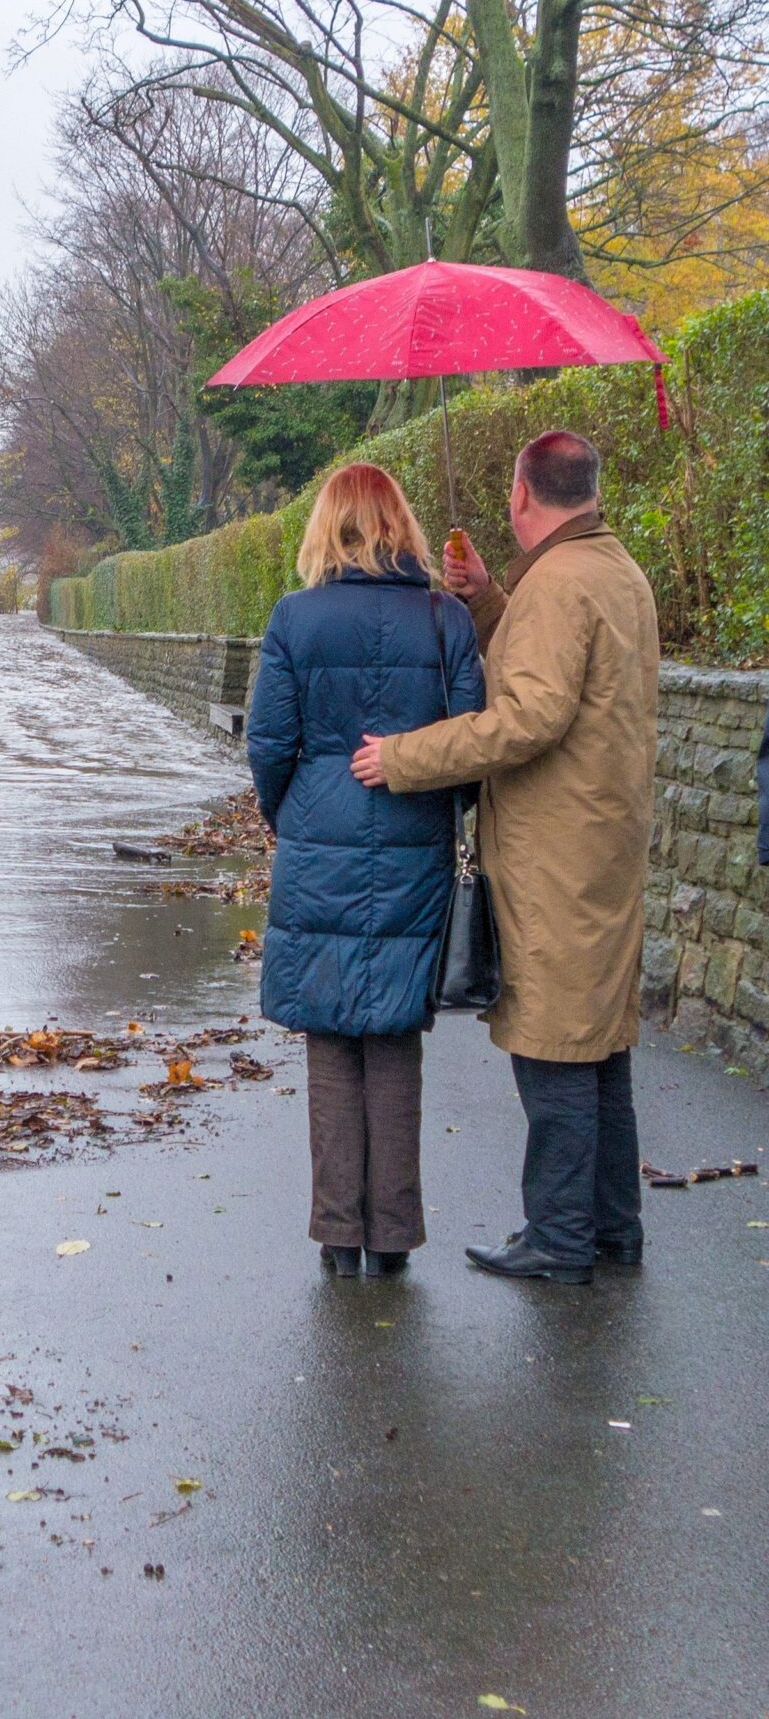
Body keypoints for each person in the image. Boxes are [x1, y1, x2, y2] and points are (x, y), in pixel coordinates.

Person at [350, 430, 661, 1285]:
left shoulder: (561, 584)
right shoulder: (612, 570)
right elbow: (556, 678)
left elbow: (528, 718)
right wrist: (490, 600)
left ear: (524, 494)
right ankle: (611, 1228)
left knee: (556, 1043)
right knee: (599, 1046)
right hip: (603, 842)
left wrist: (406, 757)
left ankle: (560, 1237)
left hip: (558, 851)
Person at [247, 464, 484, 1278]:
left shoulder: (294, 619)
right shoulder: (445, 618)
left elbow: (268, 744)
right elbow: (471, 747)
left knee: (330, 1039)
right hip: (414, 847)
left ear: (327, 526)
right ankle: (394, 1237)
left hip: (318, 841)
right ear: (400, 524)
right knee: (391, 1038)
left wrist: (295, 815)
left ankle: (336, 1233)